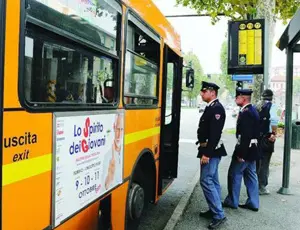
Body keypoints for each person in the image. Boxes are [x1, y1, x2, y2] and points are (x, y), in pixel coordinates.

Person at [196, 81, 227, 229]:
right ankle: (214, 209)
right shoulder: (211, 107)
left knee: (206, 181)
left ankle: (219, 215)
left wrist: (207, 154)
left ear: (212, 92)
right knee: (213, 181)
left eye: (204, 91)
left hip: (211, 151)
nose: (201, 94)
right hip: (209, 149)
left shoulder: (217, 109)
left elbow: (214, 134)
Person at [223, 89, 260, 212]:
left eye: (237, 97)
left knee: (234, 174)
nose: (235, 99)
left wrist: (240, 154)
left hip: (245, 150)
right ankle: (254, 203)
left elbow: (245, 136)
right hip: (253, 149)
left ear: (243, 98)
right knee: (251, 175)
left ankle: (232, 201)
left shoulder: (246, 113)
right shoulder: (253, 110)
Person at [256, 89, 279, 195]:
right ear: (271, 97)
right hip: (267, 138)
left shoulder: (257, 105)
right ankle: (262, 187)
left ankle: (255, 184)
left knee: (257, 161)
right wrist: (274, 134)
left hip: (257, 138)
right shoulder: (272, 106)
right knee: (265, 162)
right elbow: (273, 120)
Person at [105, 113, 123, 190]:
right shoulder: (107, 156)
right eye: (117, 129)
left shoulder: (126, 151)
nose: (119, 135)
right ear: (113, 128)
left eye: (122, 129)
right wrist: (110, 176)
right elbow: (105, 187)